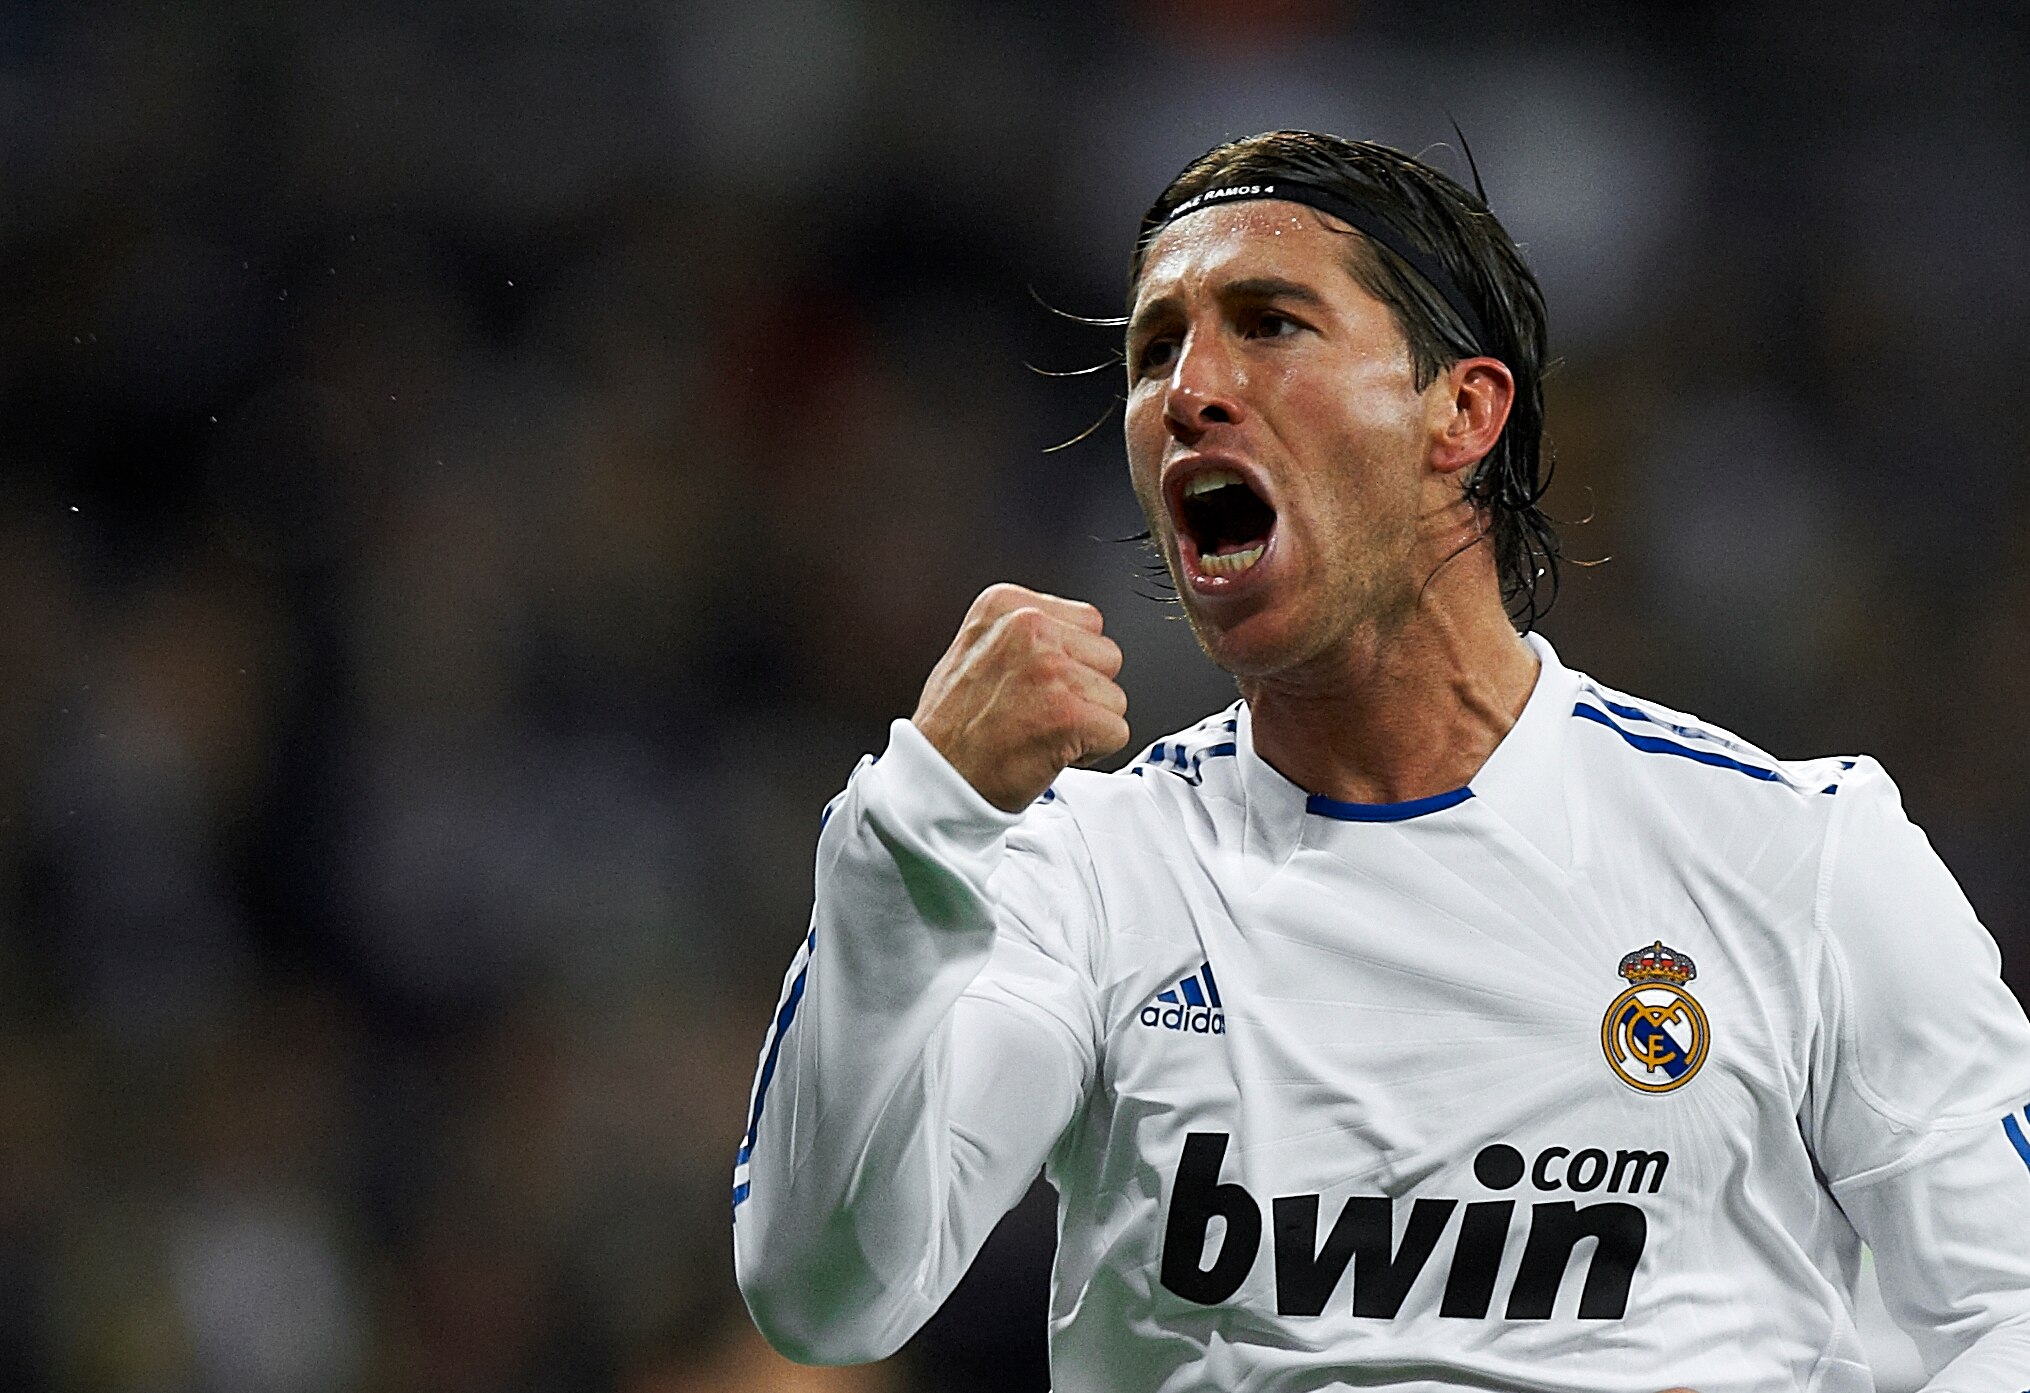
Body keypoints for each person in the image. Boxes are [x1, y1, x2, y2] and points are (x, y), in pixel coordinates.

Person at [729, 130, 2030, 1391]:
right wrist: (913, 831)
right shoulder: (1079, 874)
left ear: (1458, 410)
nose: (1186, 390)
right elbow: (829, 1294)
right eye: (1153, 349)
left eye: (1269, 322)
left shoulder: (1797, 854)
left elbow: (2006, 1307)